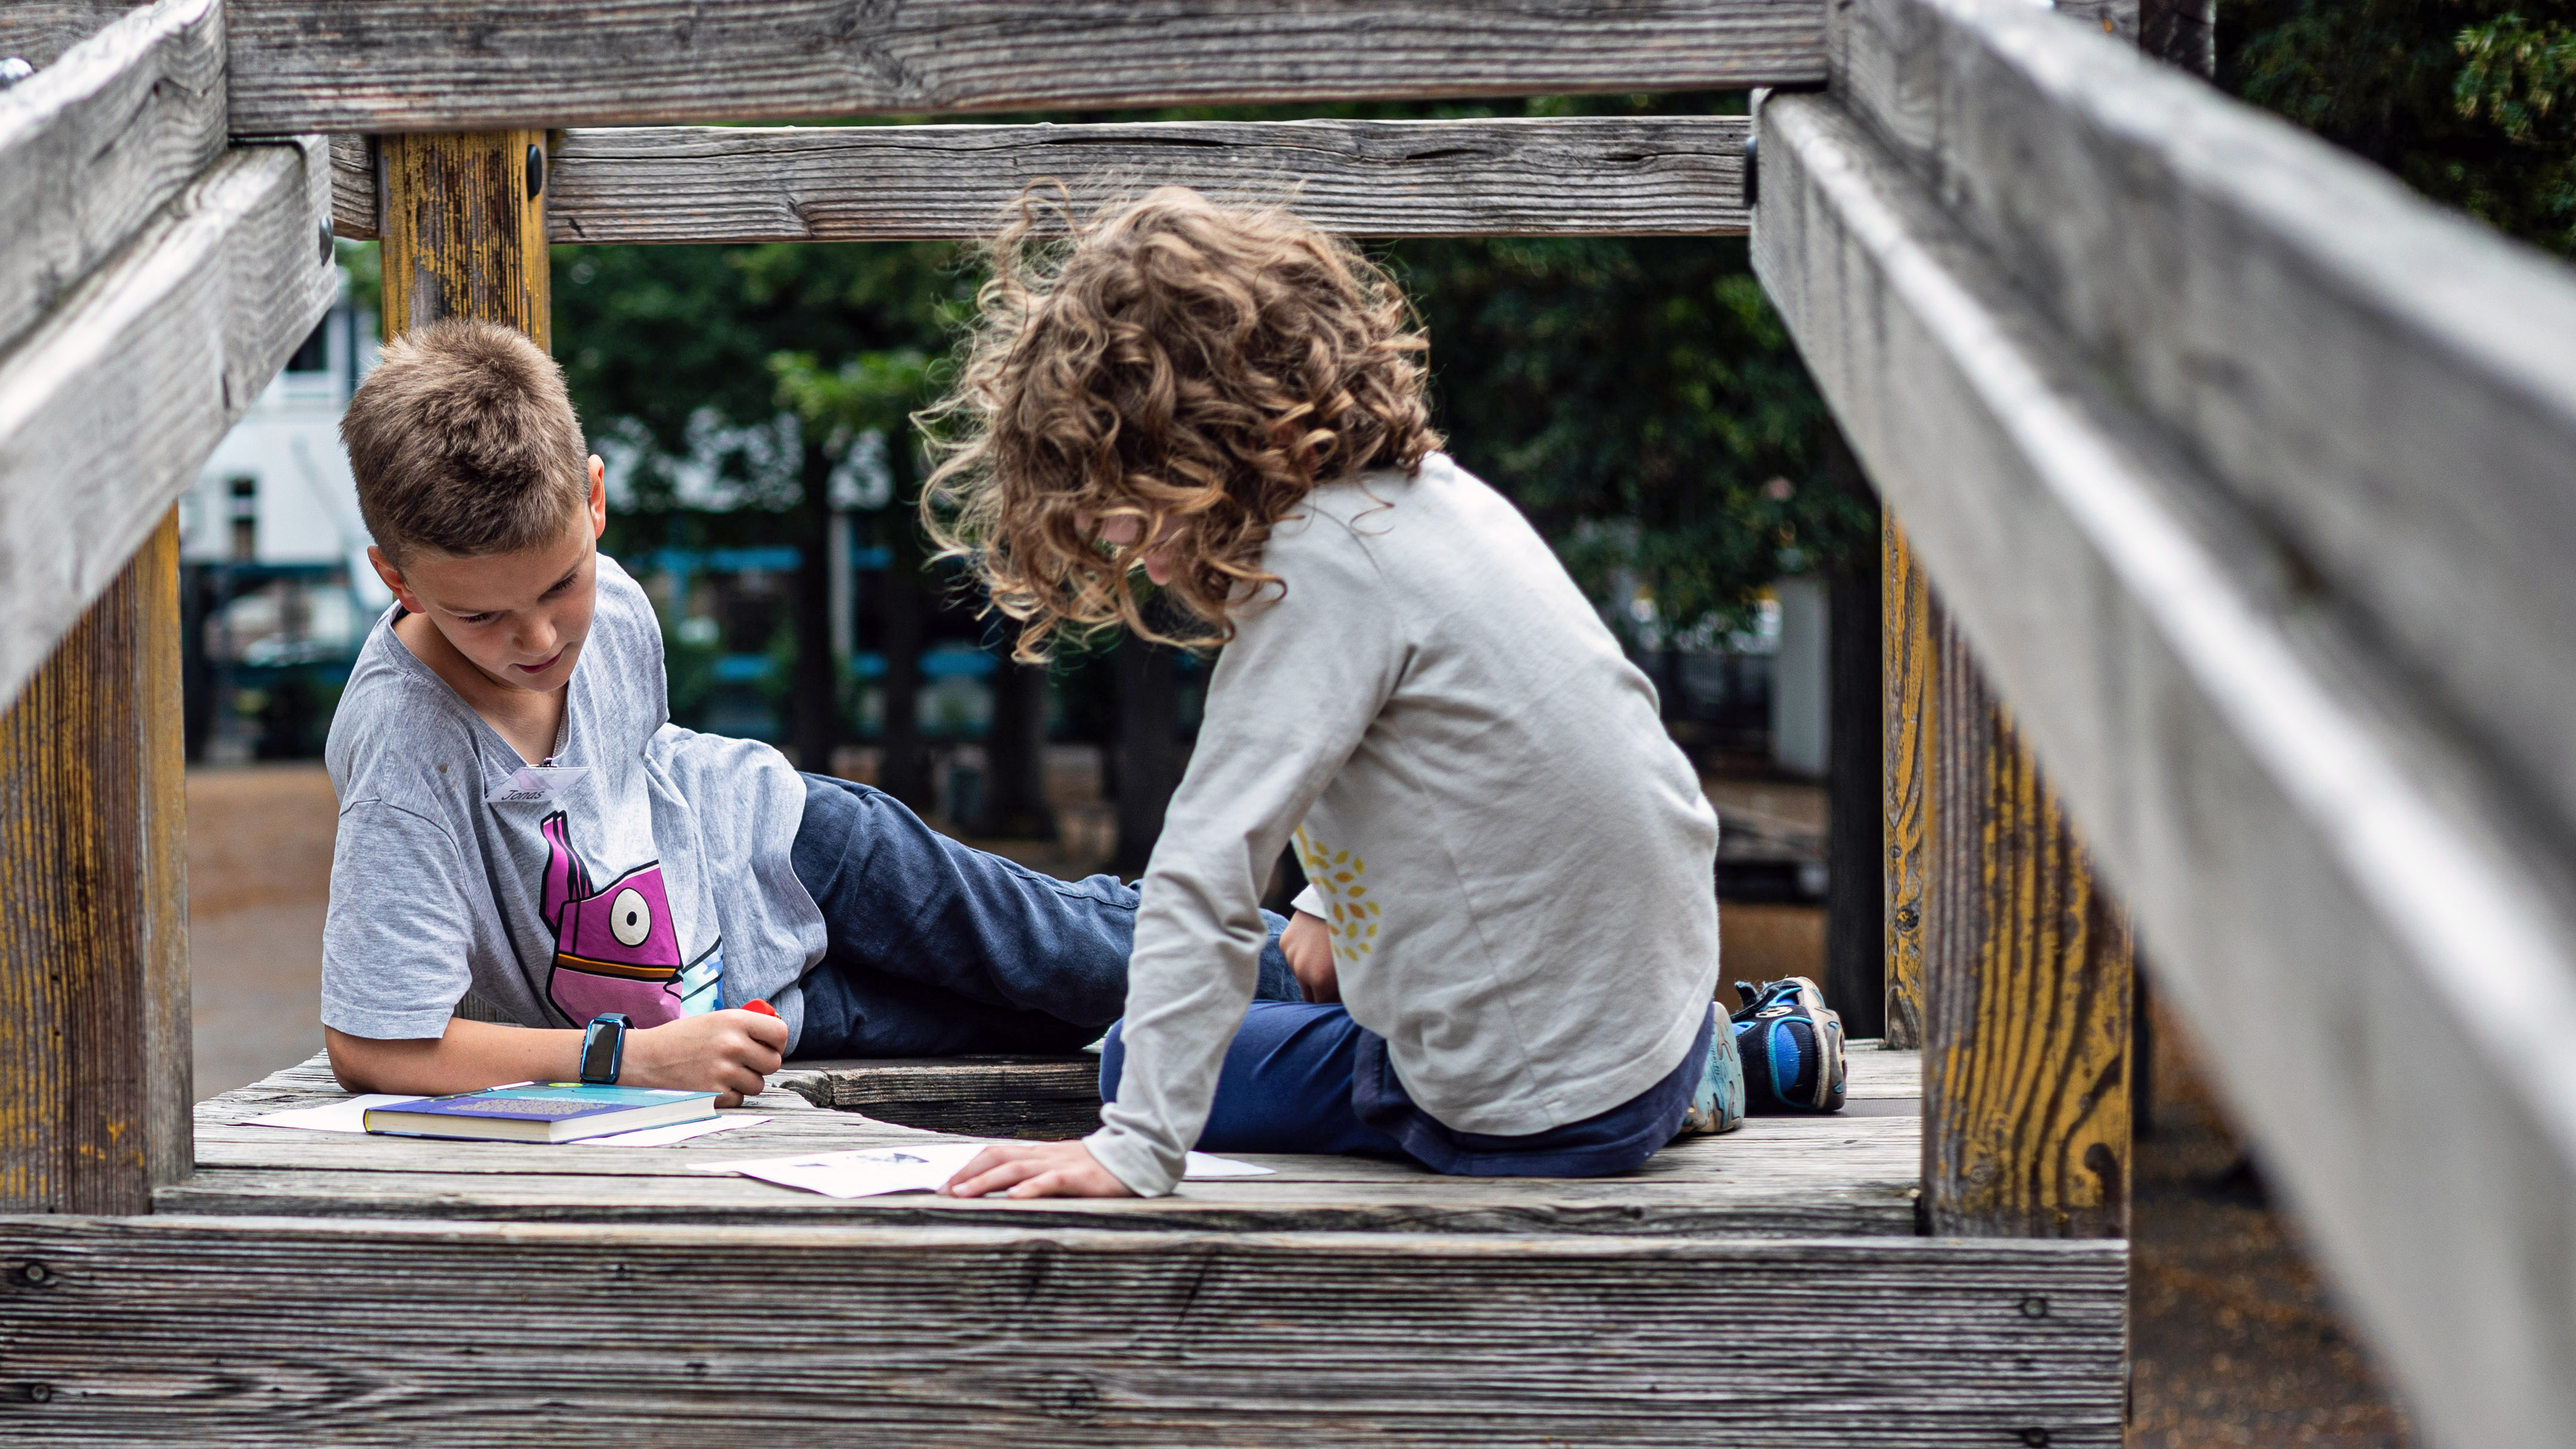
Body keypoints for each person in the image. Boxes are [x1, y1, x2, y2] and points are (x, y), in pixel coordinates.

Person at [931, 189, 1845, 1203]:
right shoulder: (1429, 501)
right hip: (1643, 1023)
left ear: (1184, 451)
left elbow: (1203, 875)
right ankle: (1721, 1062)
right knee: (1305, 972)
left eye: (1123, 510)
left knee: (1125, 1057)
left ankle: (1669, 1081)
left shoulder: (1312, 577)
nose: (1128, 555)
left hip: (1525, 1110)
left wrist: (1134, 1144)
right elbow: (1509, 748)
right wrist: (1327, 900)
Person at [318, 318, 1306, 1104]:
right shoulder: (410, 755)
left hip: (801, 849)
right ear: (395, 578)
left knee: (1063, 953)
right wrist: (625, 1059)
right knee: (1050, 1025)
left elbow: (642, 777)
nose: (536, 639)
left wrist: (625, 1056)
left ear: (594, 500)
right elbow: (375, 1044)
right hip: (765, 1012)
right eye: (481, 615)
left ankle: (1345, 960)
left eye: (559, 586)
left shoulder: (611, 602)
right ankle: (1306, 1016)